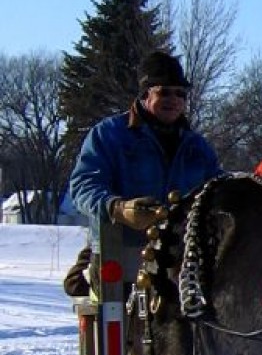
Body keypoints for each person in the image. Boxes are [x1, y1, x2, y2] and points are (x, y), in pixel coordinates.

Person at [66, 51, 224, 290]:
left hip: (182, 262)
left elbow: (219, 192)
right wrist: (117, 208)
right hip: (119, 256)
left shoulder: (198, 148)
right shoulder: (109, 135)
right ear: (145, 94)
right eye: (164, 92)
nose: (173, 99)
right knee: (119, 324)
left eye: (180, 93)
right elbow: (83, 186)